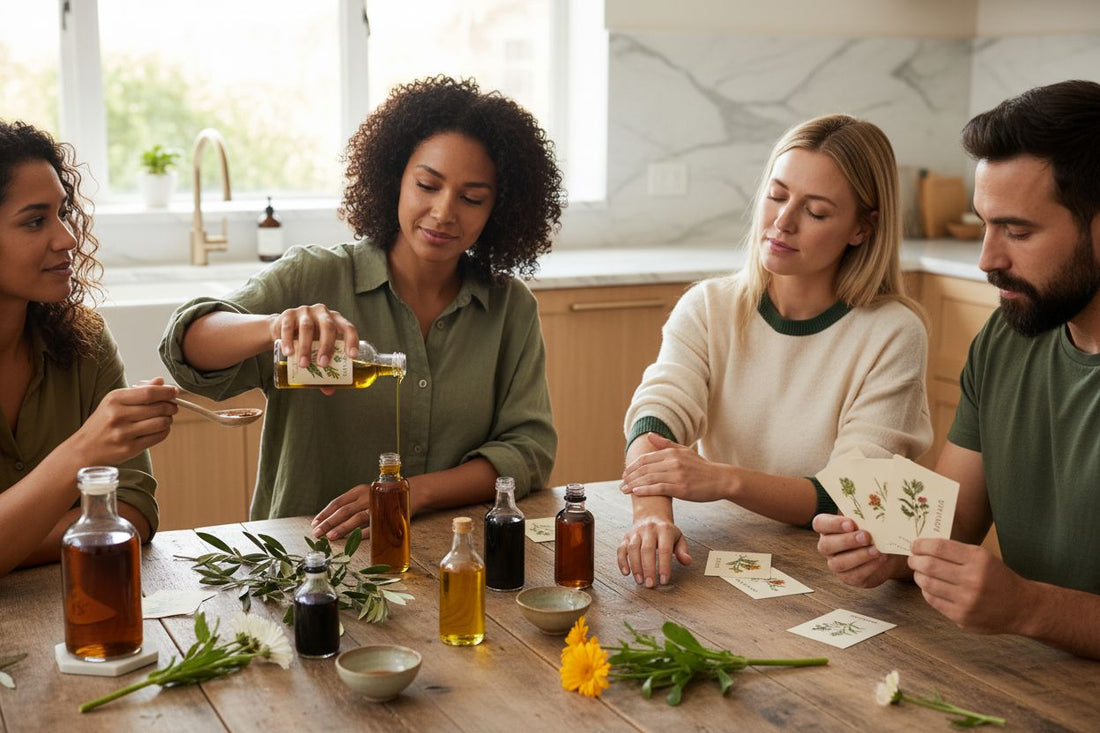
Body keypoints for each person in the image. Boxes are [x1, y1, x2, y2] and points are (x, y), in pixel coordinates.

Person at [160, 76, 563, 539]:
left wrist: (410, 493)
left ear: (501, 209)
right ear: (395, 178)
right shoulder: (315, 277)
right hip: (305, 558)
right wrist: (276, 326)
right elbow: (185, 349)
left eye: (472, 198)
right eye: (427, 185)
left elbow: (528, 450)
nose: (444, 212)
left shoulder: (509, 309)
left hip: (451, 552)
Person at [815, 80, 1100, 659]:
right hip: (1031, 677)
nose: (987, 259)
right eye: (985, 224)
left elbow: (1026, 606)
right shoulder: (1007, 337)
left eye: (1018, 231)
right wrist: (888, 549)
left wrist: (1029, 607)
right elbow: (954, 518)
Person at [617, 114, 932, 588]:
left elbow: (855, 494)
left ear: (862, 229)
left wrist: (725, 480)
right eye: (777, 195)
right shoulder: (708, 306)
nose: (782, 222)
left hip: (836, 575)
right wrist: (651, 516)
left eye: (817, 211)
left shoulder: (894, 332)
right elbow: (657, 419)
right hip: (722, 556)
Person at [0, 120, 178, 577]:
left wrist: (11, 544)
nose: (67, 239)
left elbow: (136, 513)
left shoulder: (85, 340)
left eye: (62, 213)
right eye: (36, 221)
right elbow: (113, 525)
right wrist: (82, 452)